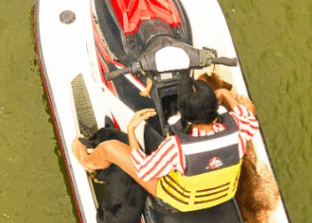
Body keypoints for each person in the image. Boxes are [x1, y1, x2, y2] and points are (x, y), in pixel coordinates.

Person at [70, 76, 259, 201]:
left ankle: (88, 163)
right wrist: (226, 94)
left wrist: (131, 130)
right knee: (246, 107)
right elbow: (249, 118)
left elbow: (144, 171)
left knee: (109, 148)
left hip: (183, 200)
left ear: (183, 113)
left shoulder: (175, 146)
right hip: (224, 193)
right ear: (214, 107)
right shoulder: (239, 130)